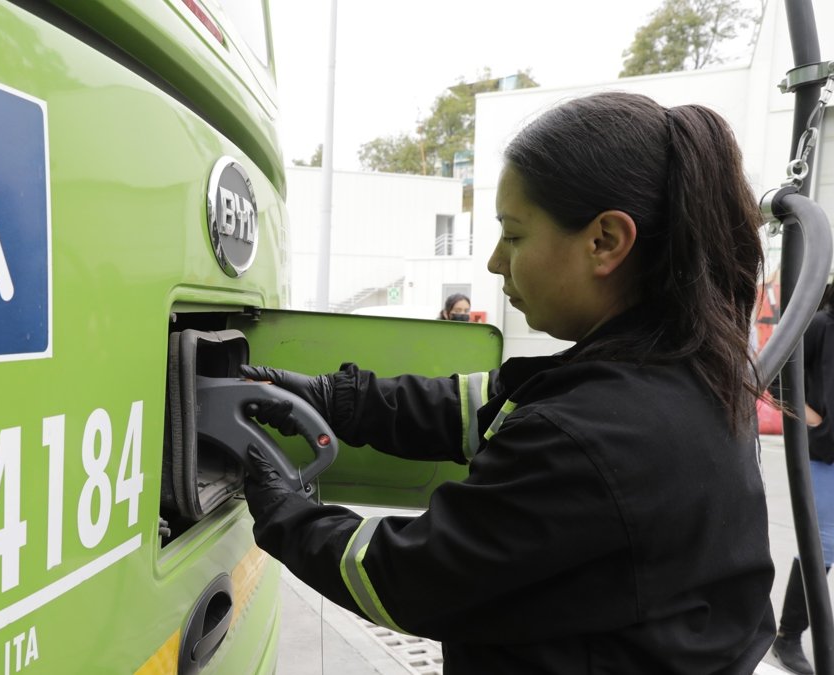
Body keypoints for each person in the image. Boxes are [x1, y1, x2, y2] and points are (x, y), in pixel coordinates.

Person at [239, 92, 774, 672]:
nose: (495, 262)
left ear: (605, 242)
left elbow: (409, 578)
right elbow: (474, 409)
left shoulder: (592, 435)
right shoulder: (671, 372)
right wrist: (332, 398)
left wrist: (282, 510)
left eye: (514, 236)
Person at [772, 283, 834, 675]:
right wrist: (815, 421)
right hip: (828, 453)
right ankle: (788, 635)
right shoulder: (820, 325)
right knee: (822, 543)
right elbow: (775, 372)